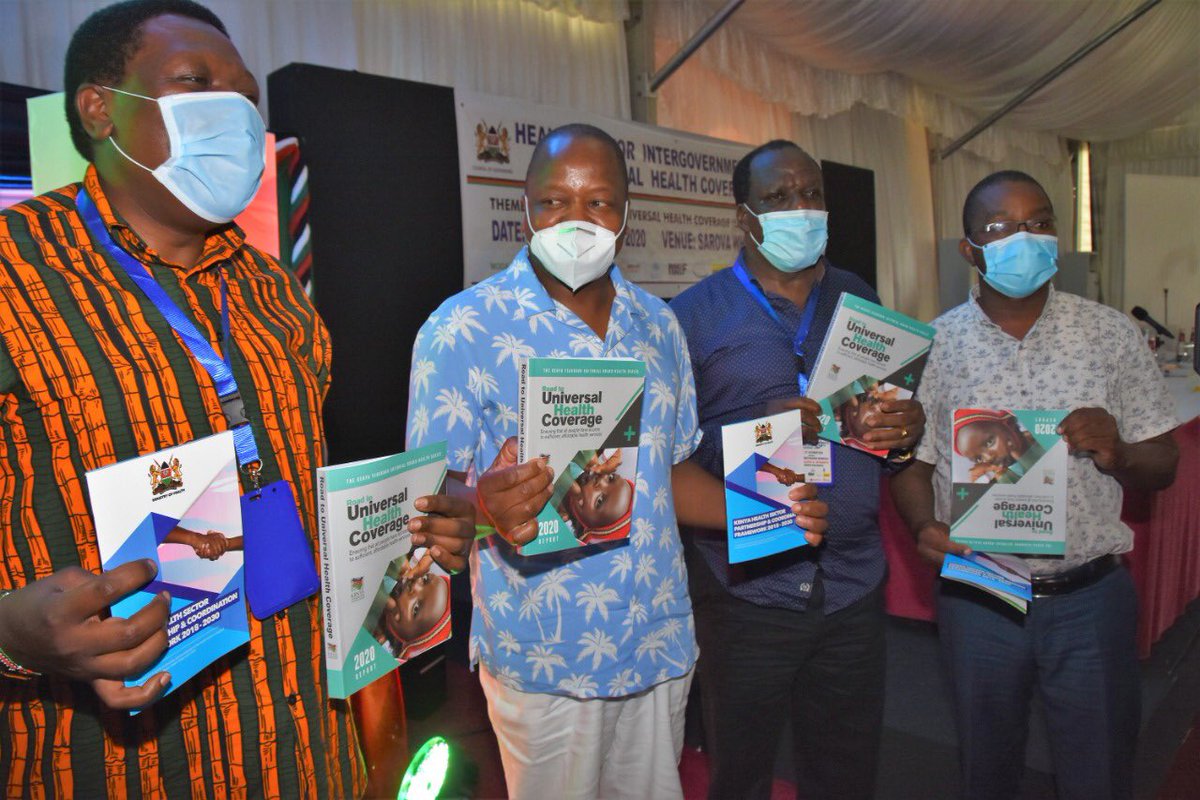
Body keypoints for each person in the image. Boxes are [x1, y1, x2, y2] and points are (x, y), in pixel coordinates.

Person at [0, 3, 474, 797]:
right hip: (117, 763)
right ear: (99, 108)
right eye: (196, 83)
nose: (234, 110)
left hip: (305, 750)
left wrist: (409, 532)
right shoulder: (15, 272)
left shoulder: (274, 291)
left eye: (247, 96)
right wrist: (11, 635)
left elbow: (297, 492)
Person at [406, 123, 828, 799]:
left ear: (627, 213)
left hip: (658, 643)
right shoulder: (462, 329)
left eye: (598, 202)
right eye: (555, 202)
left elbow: (667, 473)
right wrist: (485, 507)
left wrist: (768, 509)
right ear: (526, 207)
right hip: (547, 656)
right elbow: (431, 509)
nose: (576, 221)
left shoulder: (659, 326)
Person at [890, 170, 1179, 800]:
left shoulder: (1112, 335)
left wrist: (1119, 451)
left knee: (1100, 773)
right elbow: (912, 462)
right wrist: (921, 525)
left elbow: (1165, 464)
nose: (1024, 238)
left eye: (1039, 222)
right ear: (970, 250)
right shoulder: (933, 345)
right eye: (1001, 227)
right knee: (987, 769)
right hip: (979, 594)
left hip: (1089, 598)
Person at [669, 139, 926, 800]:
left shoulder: (859, 298)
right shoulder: (691, 317)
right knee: (740, 774)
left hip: (853, 584)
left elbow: (887, 436)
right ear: (744, 215)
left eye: (811, 194)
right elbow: (669, 457)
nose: (801, 208)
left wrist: (903, 431)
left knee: (846, 771)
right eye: (779, 197)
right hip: (747, 590)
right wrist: (757, 432)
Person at [953, 408, 1041, 483]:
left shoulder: (1042, 444)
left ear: (1009, 424)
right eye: (979, 458)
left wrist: (1023, 456)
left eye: (989, 442)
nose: (988, 458)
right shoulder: (1002, 477)